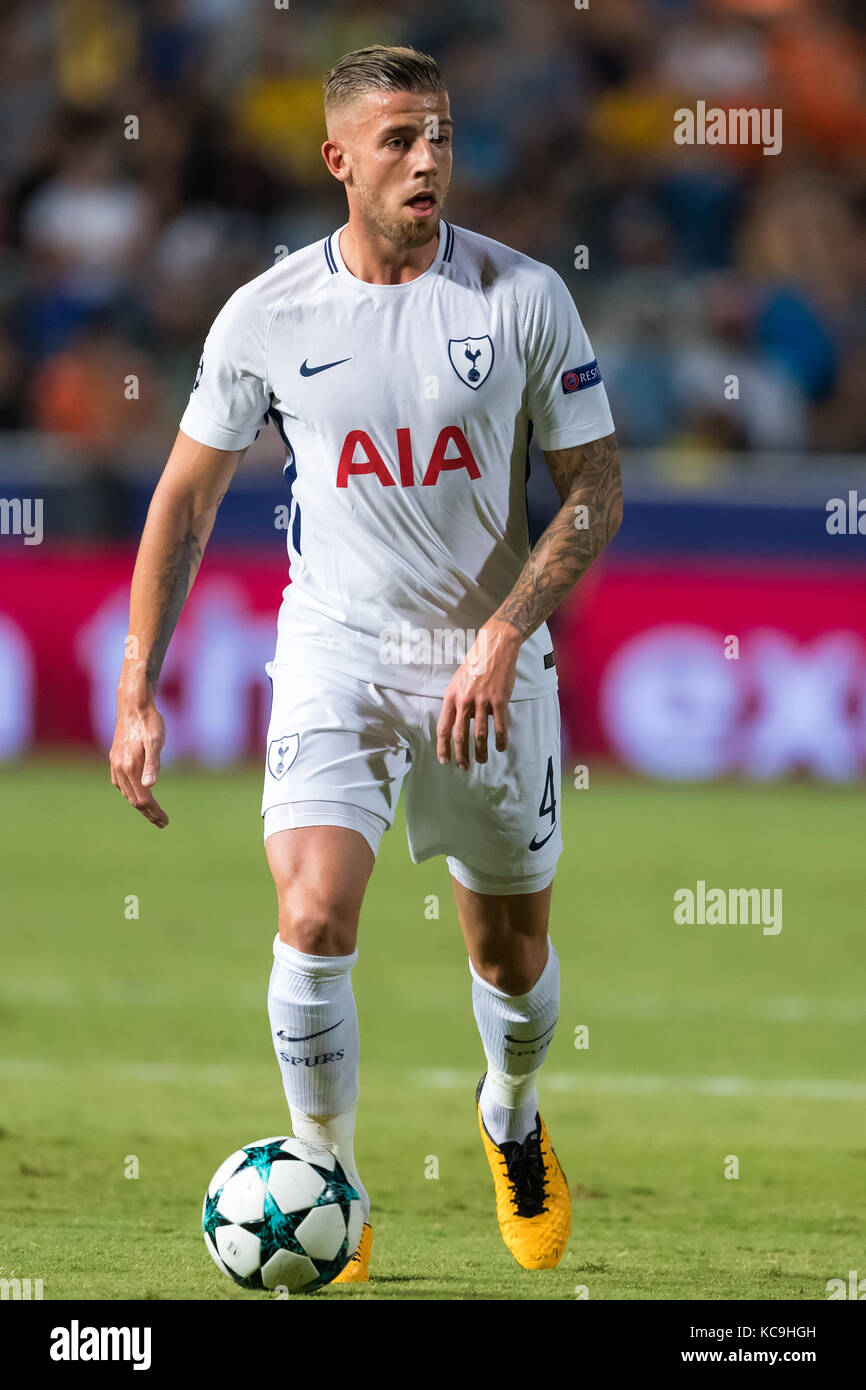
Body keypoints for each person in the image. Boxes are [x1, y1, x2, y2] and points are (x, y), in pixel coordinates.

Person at [110, 44, 622, 1282]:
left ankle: (508, 1117)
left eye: (440, 133)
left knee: (506, 955)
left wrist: (503, 631)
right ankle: (324, 1176)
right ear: (338, 158)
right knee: (312, 911)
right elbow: (182, 502)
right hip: (334, 644)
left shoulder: (521, 298)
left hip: (482, 660)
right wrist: (136, 685)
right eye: (398, 138)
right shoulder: (269, 314)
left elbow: (596, 492)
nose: (429, 157)